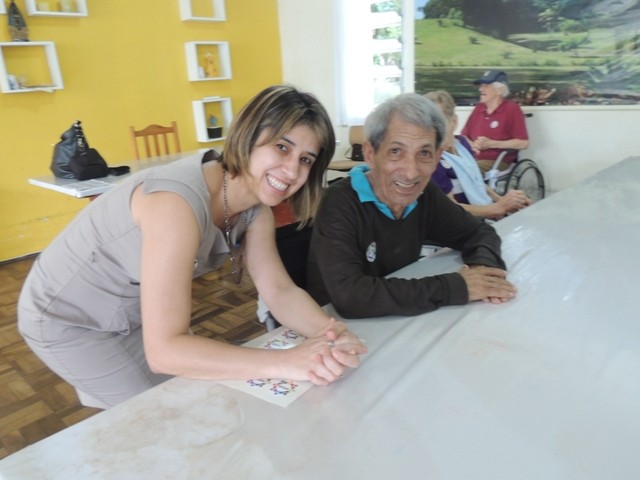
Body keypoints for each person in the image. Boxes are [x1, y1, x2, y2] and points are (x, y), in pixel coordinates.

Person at [18, 85, 367, 409]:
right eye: (282, 147)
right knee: (157, 413)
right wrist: (287, 361)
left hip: (133, 310)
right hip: (69, 317)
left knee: (190, 400)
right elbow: (165, 352)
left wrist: (331, 333)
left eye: (306, 159)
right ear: (248, 136)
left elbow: (280, 291)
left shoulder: (254, 208)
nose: (292, 171)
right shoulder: (175, 205)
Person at [306, 93, 518, 319]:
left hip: (398, 319)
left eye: (424, 153)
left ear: (437, 158)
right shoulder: (339, 203)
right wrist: (456, 286)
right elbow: (350, 296)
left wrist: (484, 271)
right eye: (396, 151)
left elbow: (478, 232)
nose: (411, 172)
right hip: (329, 326)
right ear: (370, 154)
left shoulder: (424, 195)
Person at [425, 90, 531, 220]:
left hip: (483, 211)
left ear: (454, 121)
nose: (433, 131)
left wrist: (503, 201)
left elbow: (476, 181)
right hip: (463, 222)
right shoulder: (433, 161)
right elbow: (450, 209)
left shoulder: (462, 144)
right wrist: (498, 208)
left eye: (438, 123)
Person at [461, 70, 529, 174]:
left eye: (486, 86)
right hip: (472, 158)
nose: (480, 89)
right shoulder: (479, 108)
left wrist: (492, 144)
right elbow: (464, 136)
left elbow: (523, 143)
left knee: (467, 171)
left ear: (499, 90)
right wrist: (473, 145)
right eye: (481, 86)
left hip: (497, 161)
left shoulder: (512, 109)